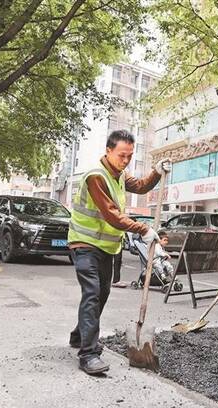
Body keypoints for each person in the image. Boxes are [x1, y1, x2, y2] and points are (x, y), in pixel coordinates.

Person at [67, 129, 171, 375]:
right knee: (92, 293)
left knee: (101, 294)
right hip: (84, 244)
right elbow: (111, 213)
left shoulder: (120, 176)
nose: (125, 161)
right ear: (108, 151)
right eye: (122, 156)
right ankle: (88, 354)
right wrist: (141, 228)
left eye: (130, 157)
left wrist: (156, 170)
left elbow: (143, 186)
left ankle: (78, 336)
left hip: (106, 247)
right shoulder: (97, 177)